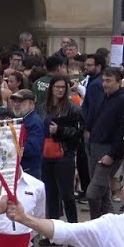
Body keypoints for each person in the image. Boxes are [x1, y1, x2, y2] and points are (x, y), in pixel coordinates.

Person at [86, 68, 124, 218]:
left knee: (93, 193)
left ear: (119, 82)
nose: (105, 84)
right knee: (103, 192)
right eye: (103, 80)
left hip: (109, 151)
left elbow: (123, 130)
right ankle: (109, 226)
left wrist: (113, 154)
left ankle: (95, 224)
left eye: (109, 81)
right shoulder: (103, 97)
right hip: (94, 148)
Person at [40, 76, 85, 225]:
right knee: (51, 194)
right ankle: (53, 232)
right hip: (46, 154)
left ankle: (73, 228)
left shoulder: (73, 108)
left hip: (64, 155)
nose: (60, 90)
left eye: (63, 87)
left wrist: (60, 130)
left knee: (67, 194)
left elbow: (79, 133)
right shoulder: (43, 107)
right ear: (51, 88)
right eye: (57, 87)